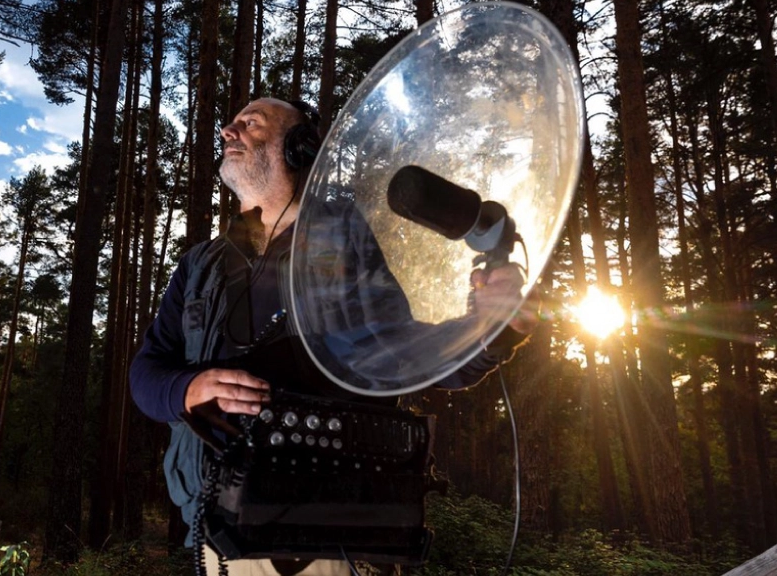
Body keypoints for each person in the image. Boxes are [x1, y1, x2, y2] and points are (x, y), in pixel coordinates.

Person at [130, 97, 537, 576]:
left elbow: (402, 354)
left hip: (335, 534)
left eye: (251, 124)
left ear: (299, 148)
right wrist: (189, 389)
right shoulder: (201, 263)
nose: (228, 131)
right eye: (232, 123)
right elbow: (146, 373)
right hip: (221, 534)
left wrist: (490, 333)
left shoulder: (343, 239)